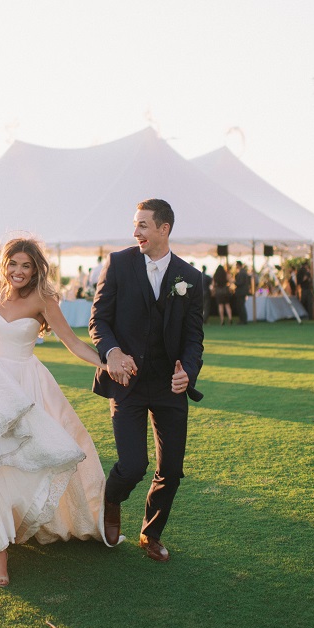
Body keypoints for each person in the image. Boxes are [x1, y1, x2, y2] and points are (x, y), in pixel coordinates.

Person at [0, 237, 113, 588]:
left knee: (29, 460)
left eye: (26, 265)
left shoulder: (44, 299)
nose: (18, 271)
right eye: (13, 264)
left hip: (27, 386)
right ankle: (0, 553)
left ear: (36, 269)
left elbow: (73, 341)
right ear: (4, 264)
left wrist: (107, 363)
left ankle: (20, 523)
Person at [89, 198, 204, 563]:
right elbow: (98, 320)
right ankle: (112, 499)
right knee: (133, 464)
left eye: (142, 225)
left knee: (171, 469)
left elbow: (194, 337)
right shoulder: (119, 264)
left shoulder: (191, 277)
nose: (135, 231)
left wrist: (188, 369)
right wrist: (112, 354)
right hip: (127, 382)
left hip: (170, 386)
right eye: (135, 224)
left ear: (163, 229)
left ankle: (150, 533)